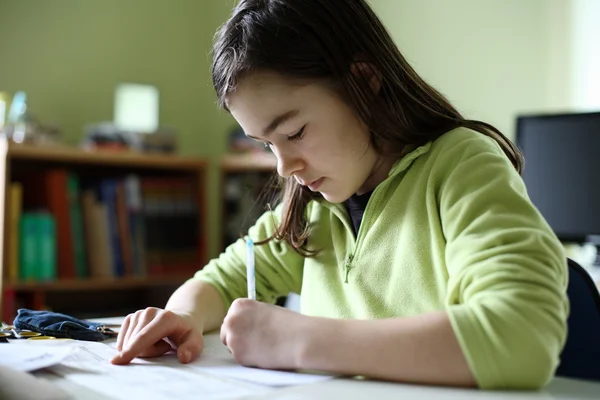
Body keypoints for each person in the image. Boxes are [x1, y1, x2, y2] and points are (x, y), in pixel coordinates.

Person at [111, 0, 568, 390]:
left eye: (295, 132)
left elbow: (523, 335)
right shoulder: (311, 208)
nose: (283, 166)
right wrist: (182, 316)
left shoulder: (462, 165)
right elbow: (221, 279)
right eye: (266, 145)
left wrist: (299, 340)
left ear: (364, 83)